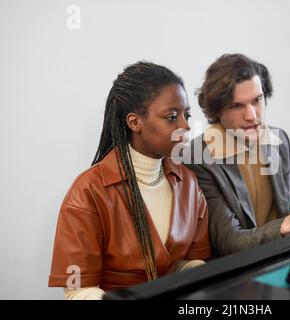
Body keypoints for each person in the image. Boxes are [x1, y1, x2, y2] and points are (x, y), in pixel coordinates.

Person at [49, 61, 211, 299]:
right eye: (172, 116)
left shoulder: (188, 183)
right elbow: (78, 289)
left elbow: (188, 261)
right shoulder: (87, 193)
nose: (185, 125)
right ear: (135, 122)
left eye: (186, 114)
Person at [184, 53, 290, 256]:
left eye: (257, 100)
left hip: (284, 255)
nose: (252, 115)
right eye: (236, 106)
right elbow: (228, 241)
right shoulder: (198, 156)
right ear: (218, 111)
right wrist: (287, 224)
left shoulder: (278, 139)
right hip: (240, 270)